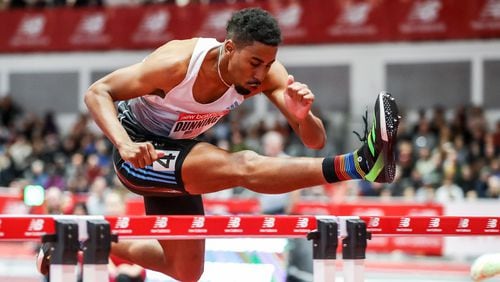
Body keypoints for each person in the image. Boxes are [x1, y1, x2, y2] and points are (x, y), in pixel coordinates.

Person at [37, 7, 400, 281]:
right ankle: (359, 164)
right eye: (254, 63)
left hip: (180, 155)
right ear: (229, 49)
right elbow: (97, 91)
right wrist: (123, 143)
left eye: (269, 64)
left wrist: (302, 115)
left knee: (186, 270)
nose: (261, 75)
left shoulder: (268, 73)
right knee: (242, 165)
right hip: (140, 153)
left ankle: (84, 240)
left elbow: (314, 140)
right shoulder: (177, 64)